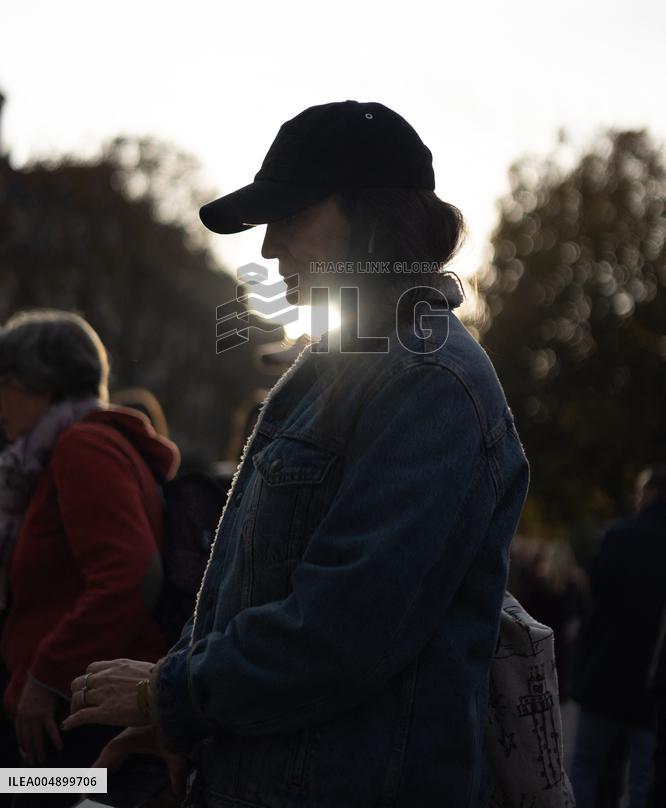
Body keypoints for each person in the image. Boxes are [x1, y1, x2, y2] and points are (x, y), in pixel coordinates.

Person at [63, 100, 529, 807]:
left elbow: (347, 629)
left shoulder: (431, 382)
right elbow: (250, 591)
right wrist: (184, 726)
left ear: (372, 221)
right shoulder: (336, 367)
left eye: (289, 217)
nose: (268, 248)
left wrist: (170, 696)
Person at [0, 310, 179, 790]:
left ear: (37, 384)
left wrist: (45, 677)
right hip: (75, 708)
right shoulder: (83, 444)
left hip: (73, 720)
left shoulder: (83, 448)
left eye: (4, 384)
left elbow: (130, 574)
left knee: (48, 799)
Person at [569, 462, 666, 808]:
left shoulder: (619, 536)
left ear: (651, 492)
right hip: (650, 685)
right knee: (642, 778)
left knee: (583, 765)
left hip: (605, 674)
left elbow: (595, 598)